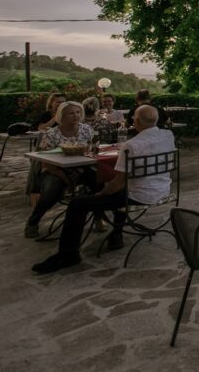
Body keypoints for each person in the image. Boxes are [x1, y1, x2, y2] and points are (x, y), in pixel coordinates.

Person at [31, 105, 176, 274]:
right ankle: (116, 234)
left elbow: (117, 184)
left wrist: (101, 193)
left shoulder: (131, 145)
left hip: (138, 196)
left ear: (135, 121)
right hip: (162, 190)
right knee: (111, 188)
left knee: (77, 204)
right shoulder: (168, 135)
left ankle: (68, 254)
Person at [24, 101, 95, 238]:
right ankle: (33, 222)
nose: (76, 116)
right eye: (71, 113)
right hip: (55, 170)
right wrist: (64, 177)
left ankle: (98, 217)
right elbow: (45, 162)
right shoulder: (51, 134)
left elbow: (92, 150)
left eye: (78, 112)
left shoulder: (87, 129)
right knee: (52, 188)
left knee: (97, 181)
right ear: (61, 116)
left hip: (82, 168)